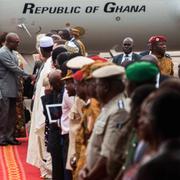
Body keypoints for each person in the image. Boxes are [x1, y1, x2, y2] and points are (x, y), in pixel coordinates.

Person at [79, 64, 130, 180]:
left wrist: (89, 177)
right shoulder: (107, 107)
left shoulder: (119, 111)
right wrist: (86, 168)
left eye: (97, 85)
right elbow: (96, 144)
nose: (95, 89)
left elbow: (109, 155)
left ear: (106, 87)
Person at [0, 32, 30, 146]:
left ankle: (10, 137)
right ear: (9, 42)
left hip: (13, 87)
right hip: (4, 89)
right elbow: (13, 68)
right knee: (4, 114)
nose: (18, 45)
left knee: (12, 114)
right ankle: (2, 138)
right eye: (16, 43)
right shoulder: (2, 53)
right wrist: (28, 75)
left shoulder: (11, 52)